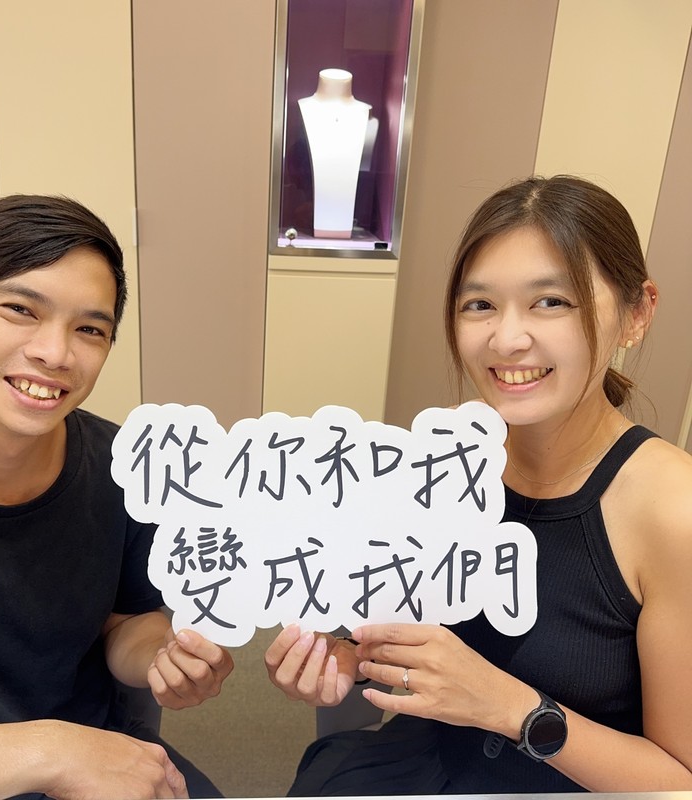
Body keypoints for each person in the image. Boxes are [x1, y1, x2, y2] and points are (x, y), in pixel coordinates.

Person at [265, 175, 692, 793]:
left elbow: (680, 778)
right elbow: (406, 636)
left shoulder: (673, 511)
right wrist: (347, 662)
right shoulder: (442, 462)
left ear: (637, 312)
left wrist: (511, 707)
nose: (507, 339)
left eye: (552, 301)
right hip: (422, 764)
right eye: (480, 305)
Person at [0, 195, 233, 800]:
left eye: (89, 329)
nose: (55, 353)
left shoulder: (129, 467)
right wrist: (49, 751)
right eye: (21, 309)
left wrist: (162, 654)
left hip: (96, 762)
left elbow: (125, 621)